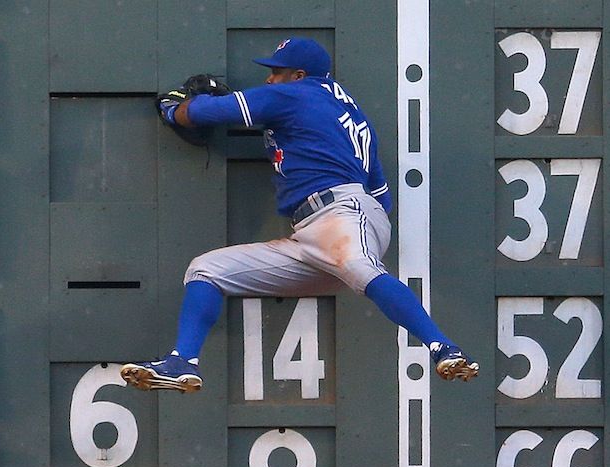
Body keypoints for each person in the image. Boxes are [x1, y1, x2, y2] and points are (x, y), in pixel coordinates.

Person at [121, 37, 478, 393]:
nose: (270, 80)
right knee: (207, 269)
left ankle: (442, 346)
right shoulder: (350, 114)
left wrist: (175, 109)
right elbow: (382, 196)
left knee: (359, 264)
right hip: (322, 230)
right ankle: (182, 360)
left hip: (341, 212)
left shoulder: (297, 93)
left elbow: (204, 112)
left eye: (277, 72)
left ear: (299, 74)